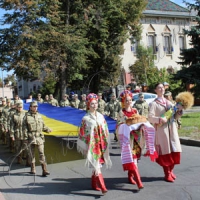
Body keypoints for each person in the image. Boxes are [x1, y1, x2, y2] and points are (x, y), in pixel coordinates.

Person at [77, 93, 112, 194]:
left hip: (100, 144)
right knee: (96, 166)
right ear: (88, 104)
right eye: (92, 103)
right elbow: (82, 133)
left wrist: (106, 141)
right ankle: (103, 187)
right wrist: (86, 145)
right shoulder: (86, 119)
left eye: (96, 103)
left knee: (97, 166)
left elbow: (105, 129)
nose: (94, 105)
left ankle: (93, 184)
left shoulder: (101, 116)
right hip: (92, 146)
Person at [148, 83, 183, 182]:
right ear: (155, 90)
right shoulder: (153, 104)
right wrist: (159, 119)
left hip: (172, 128)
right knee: (166, 151)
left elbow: (174, 117)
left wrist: (179, 111)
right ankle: (167, 173)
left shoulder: (170, 103)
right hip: (162, 130)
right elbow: (150, 117)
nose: (161, 89)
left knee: (175, 150)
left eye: (162, 87)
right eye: (159, 87)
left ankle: (171, 171)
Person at [116, 90, 144, 189]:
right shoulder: (121, 113)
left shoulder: (135, 111)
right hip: (127, 140)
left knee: (135, 158)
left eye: (130, 100)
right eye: (126, 100)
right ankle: (139, 182)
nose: (128, 102)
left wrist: (141, 125)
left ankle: (130, 176)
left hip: (136, 138)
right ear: (123, 102)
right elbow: (119, 126)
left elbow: (139, 120)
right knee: (133, 160)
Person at [22, 101, 52, 176]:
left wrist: (48, 129)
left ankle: (44, 169)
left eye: (36, 106)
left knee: (41, 153)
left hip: (39, 137)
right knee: (31, 154)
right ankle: (33, 168)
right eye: (34, 106)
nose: (35, 108)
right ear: (30, 107)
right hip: (31, 137)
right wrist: (25, 138)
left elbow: (43, 126)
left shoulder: (39, 116)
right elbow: (24, 128)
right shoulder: (26, 116)